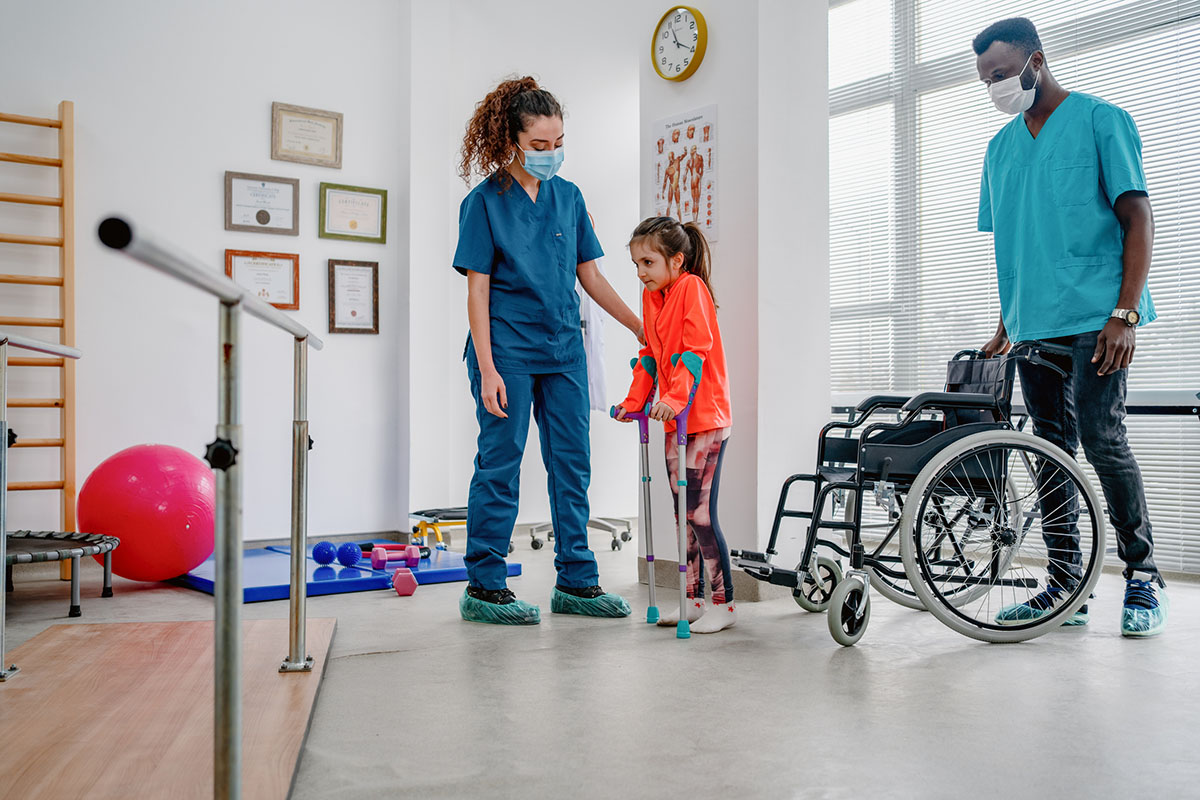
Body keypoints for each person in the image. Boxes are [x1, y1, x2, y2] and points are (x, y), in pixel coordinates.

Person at [973, 18, 1167, 636]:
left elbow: (1138, 219)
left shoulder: (1101, 121)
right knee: (1050, 449)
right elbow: (1017, 244)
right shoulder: (1000, 150)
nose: (996, 87)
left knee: (1103, 439)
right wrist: (1006, 321)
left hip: (1097, 316)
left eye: (1002, 73)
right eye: (986, 80)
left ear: (1036, 60)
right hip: (1033, 323)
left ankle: (1142, 575)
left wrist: (1124, 314)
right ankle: (1066, 586)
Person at [453, 76, 642, 625]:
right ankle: (485, 586)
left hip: (563, 349)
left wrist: (639, 326)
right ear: (511, 140)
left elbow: (591, 276)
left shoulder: (569, 197)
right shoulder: (483, 203)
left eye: (558, 143)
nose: (551, 153)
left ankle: (577, 582)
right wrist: (487, 368)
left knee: (572, 464)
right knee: (500, 465)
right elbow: (477, 291)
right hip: (506, 350)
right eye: (539, 144)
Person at [615, 217, 735, 633]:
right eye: (636, 264)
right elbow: (650, 356)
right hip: (674, 420)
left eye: (648, 262)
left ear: (676, 260)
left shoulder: (691, 288)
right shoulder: (653, 297)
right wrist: (634, 403)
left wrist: (673, 399)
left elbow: (694, 352)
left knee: (700, 515)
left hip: (705, 417)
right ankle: (692, 601)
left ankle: (724, 603)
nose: (640, 272)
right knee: (682, 516)